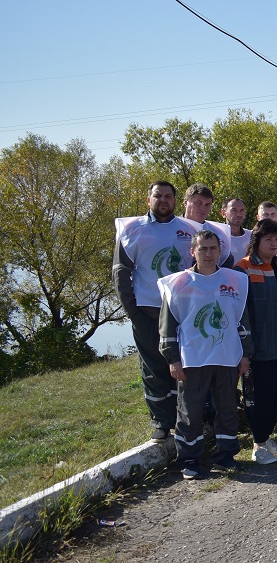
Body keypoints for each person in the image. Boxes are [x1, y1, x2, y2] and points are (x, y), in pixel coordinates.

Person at [157, 230, 252, 478]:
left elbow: (243, 320)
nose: (208, 254)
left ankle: (225, 456)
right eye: (203, 249)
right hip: (192, 358)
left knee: (228, 407)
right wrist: (172, 358)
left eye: (213, 248)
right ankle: (190, 460)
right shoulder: (177, 283)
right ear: (193, 252)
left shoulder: (236, 280)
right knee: (190, 410)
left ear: (220, 251)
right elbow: (167, 326)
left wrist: (245, 354)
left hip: (227, 355)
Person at [113, 181, 198, 440]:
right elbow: (120, 273)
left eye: (168, 196)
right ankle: (161, 422)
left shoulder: (188, 230)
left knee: (183, 367)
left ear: (175, 201)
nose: (163, 200)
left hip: (181, 312)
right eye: (158, 196)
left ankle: (187, 421)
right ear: (148, 198)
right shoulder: (132, 230)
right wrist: (133, 312)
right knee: (154, 369)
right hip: (147, 312)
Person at [234, 219, 277, 465]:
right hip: (258, 345)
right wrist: (246, 347)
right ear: (256, 241)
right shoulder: (244, 268)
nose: (274, 243)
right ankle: (257, 444)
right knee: (259, 395)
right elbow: (241, 311)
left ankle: (266, 436)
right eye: (268, 238)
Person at [182, 184, 233, 267]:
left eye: (207, 205)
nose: (203, 208)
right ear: (185, 202)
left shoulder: (220, 232)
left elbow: (227, 262)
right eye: (198, 203)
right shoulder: (171, 227)